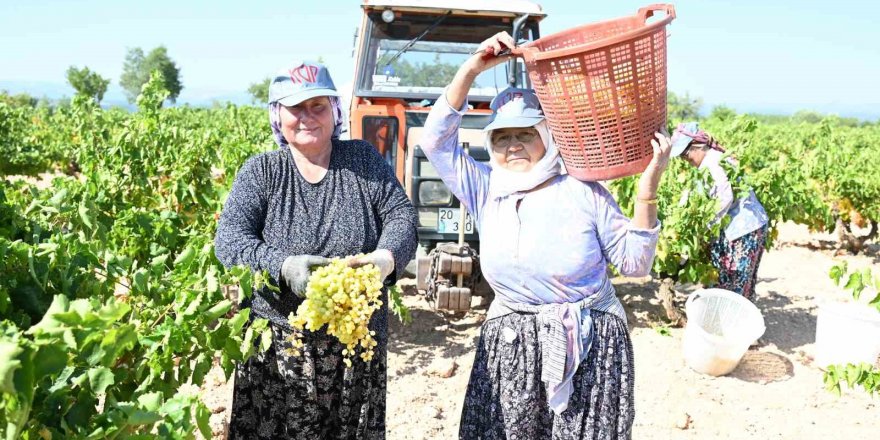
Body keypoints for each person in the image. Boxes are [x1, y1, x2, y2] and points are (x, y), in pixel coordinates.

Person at [419, 32, 672, 439]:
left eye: (525, 134)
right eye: (502, 137)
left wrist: (647, 190)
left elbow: (636, 264)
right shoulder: (485, 188)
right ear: (491, 145)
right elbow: (434, 140)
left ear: (547, 137)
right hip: (512, 344)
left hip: (589, 346)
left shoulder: (583, 190)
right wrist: (473, 68)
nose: (513, 145)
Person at [214, 61, 418, 439]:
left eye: (318, 106)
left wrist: (385, 259)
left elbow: (401, 217)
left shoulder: (362, 160)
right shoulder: (262, 172)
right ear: (278, 116)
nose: (307, 117)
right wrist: (283, 266)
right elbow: (229, 240)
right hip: (280, 352)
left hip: (354, 347)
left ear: (335, 112)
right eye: (295, 108)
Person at [670, 122, 769, 301]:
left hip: (743, 230)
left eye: (685, 155)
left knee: (734, 284)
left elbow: (725, 197)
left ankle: (731, 325)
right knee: (732, 283)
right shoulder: (710, 161)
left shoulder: (713, 162)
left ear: (697, 147)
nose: (685, 160)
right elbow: (696, 190)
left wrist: (705, 228)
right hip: (743, 227)